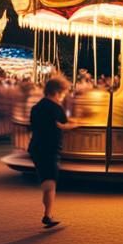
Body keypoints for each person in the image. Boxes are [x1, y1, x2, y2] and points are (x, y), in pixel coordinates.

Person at [28, 77, 77, 228]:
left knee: (46, 180)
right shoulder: (56, 108)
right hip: (50, 148)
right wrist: (76, 125)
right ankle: (47, 215)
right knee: (50, 181)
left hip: (36, 147)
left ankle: (48, 212)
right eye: (62, 93)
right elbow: (62, 125)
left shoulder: (36, 107)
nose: (63, 97)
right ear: (56, 92)